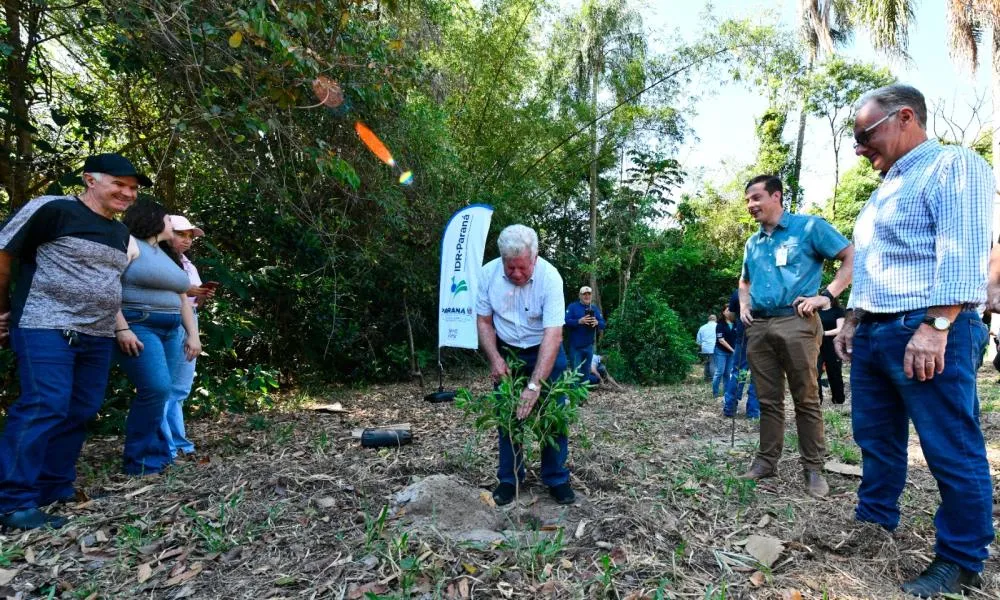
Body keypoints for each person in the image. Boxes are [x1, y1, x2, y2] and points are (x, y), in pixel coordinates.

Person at [835, 84, 993, 597]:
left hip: (925, 328)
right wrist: (855, 319)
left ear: (905, 117)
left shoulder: (953, 166)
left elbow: (963, 253)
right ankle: (874, 523)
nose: (860, 148)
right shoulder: (885, 188)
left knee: (949, 446)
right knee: (876, 441)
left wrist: (938, 325)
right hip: (877, 331)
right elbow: (879, 265)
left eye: (864, 135)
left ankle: (962, 558)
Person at [0, 153, 149, 530]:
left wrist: (118, 327)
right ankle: (12, 502)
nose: (127, 193)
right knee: (43, 404)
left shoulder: (119, 232)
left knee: (81, 409)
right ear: (89, 180)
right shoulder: (52, 209)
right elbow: (4, 254)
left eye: (132, 188)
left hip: (97, 333)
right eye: (119, 183)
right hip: (44, 324)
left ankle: (54, 487)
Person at [737, 174, 854, 498]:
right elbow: (744, 281)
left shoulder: (809, 227)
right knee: (767, 400)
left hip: (797, 322)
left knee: (806, 398)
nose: (751, 205)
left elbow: (849, 256)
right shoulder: (753, 243)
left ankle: (813, 469)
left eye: (756, 198)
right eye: (748, 200)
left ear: (777, 196)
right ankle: (765, 463)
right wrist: (745, 304)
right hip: (759, 328)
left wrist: (826, 296)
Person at [476, 224, 574, 506]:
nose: (516, 274)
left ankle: (556, 478)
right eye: (510, 268)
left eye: (523, 267)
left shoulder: (550, 278)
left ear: (535, 257)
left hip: (545, 350)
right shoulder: (487, 275)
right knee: (510, 417)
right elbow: (483, 321)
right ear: (502, 260)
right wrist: (495, 358)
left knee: (552, 415)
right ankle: (510, 479)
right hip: (507, 351)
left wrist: (534, 385)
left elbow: (554, 334)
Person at [117, 199, 201, 476]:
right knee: (156, 388)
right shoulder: (129, 243)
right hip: (140, 325)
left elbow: (182, 298)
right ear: (152, 220)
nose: (171, 225)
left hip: (170, 328)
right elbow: (106, 285)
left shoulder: (164, 255)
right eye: (167, 220)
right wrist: (121, 327)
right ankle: (140, 459)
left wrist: (193, 335)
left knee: (166, 389)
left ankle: (160, 452)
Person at [163, 215, 215, 459]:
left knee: (180, 387)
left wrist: (201, 295)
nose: (187, 241)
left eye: (190, 236)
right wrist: (186, 291)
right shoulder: (157, 259)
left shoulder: (188, 265)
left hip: (190, 321)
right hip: (169, 321)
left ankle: (178, 442)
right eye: (181, 234)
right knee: (166, 386)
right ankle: (167, 445)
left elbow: (193, 303)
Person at [722, 290, 759, 419]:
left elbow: (731, 315)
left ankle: (730, 407)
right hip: (761, 339)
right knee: (757, 375)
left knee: (739, 372)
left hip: (742, 339)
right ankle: (754, 412)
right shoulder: (766, 288)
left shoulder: (738, 293)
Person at [564, 286, 605, 378]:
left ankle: (584, 392)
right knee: (575, 374)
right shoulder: (573, 307)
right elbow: (565, 321)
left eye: (589, 294)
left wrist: (597, 322)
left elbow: (603, 324)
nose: (587, 296)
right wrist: (579, 321)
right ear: (580, 295)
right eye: (584, 294)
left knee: (586, 374)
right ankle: (574, 392)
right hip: (576, 347)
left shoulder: (594, 308)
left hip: (589, 347)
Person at [816, 298, 846, 405]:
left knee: (834, 372)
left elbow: (840, 329)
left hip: (833, 344)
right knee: (815, 372)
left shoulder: (838, 310)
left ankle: (838, 399)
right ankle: (817, 400)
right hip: (817, 345)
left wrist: (823, 333)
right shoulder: (815, 311)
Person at [711, 310, 736, 400]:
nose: (730, 312)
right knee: (719, 372)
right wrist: (733, 350)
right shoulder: (720, 325)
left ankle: (726, 393)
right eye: (727, 310)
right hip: (721, 351)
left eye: (731, 310)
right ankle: (715, 393)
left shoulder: (735, 324)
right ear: (723, 313)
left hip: (731, 352)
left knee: (727, 373)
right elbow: (721, 340)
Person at [696, 314, 717, 382]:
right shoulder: (718, 326)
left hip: (705, 348)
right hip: (714, 347)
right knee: (713, 363)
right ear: (715, 319)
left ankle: (706, 378)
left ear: (708, 319)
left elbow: (698, 341)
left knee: (707, 362)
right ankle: (713, 379)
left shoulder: (702, 327)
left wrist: (701, 347)